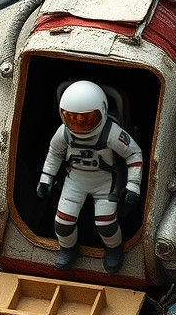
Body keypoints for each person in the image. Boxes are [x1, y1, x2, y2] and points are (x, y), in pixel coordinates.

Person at [36, 80, 143, 272]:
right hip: (75, 180)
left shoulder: (111, 133)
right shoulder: (64, 133)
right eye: (72, 118)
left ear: (102, 110)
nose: (79, 123)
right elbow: (54, 153)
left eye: (86, 119)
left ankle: (113, 249)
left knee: (106, 224)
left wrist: (133, 185)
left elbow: (134, 154)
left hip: (105, 181)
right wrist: (46, 178)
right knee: (62, 223)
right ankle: (68, 248)